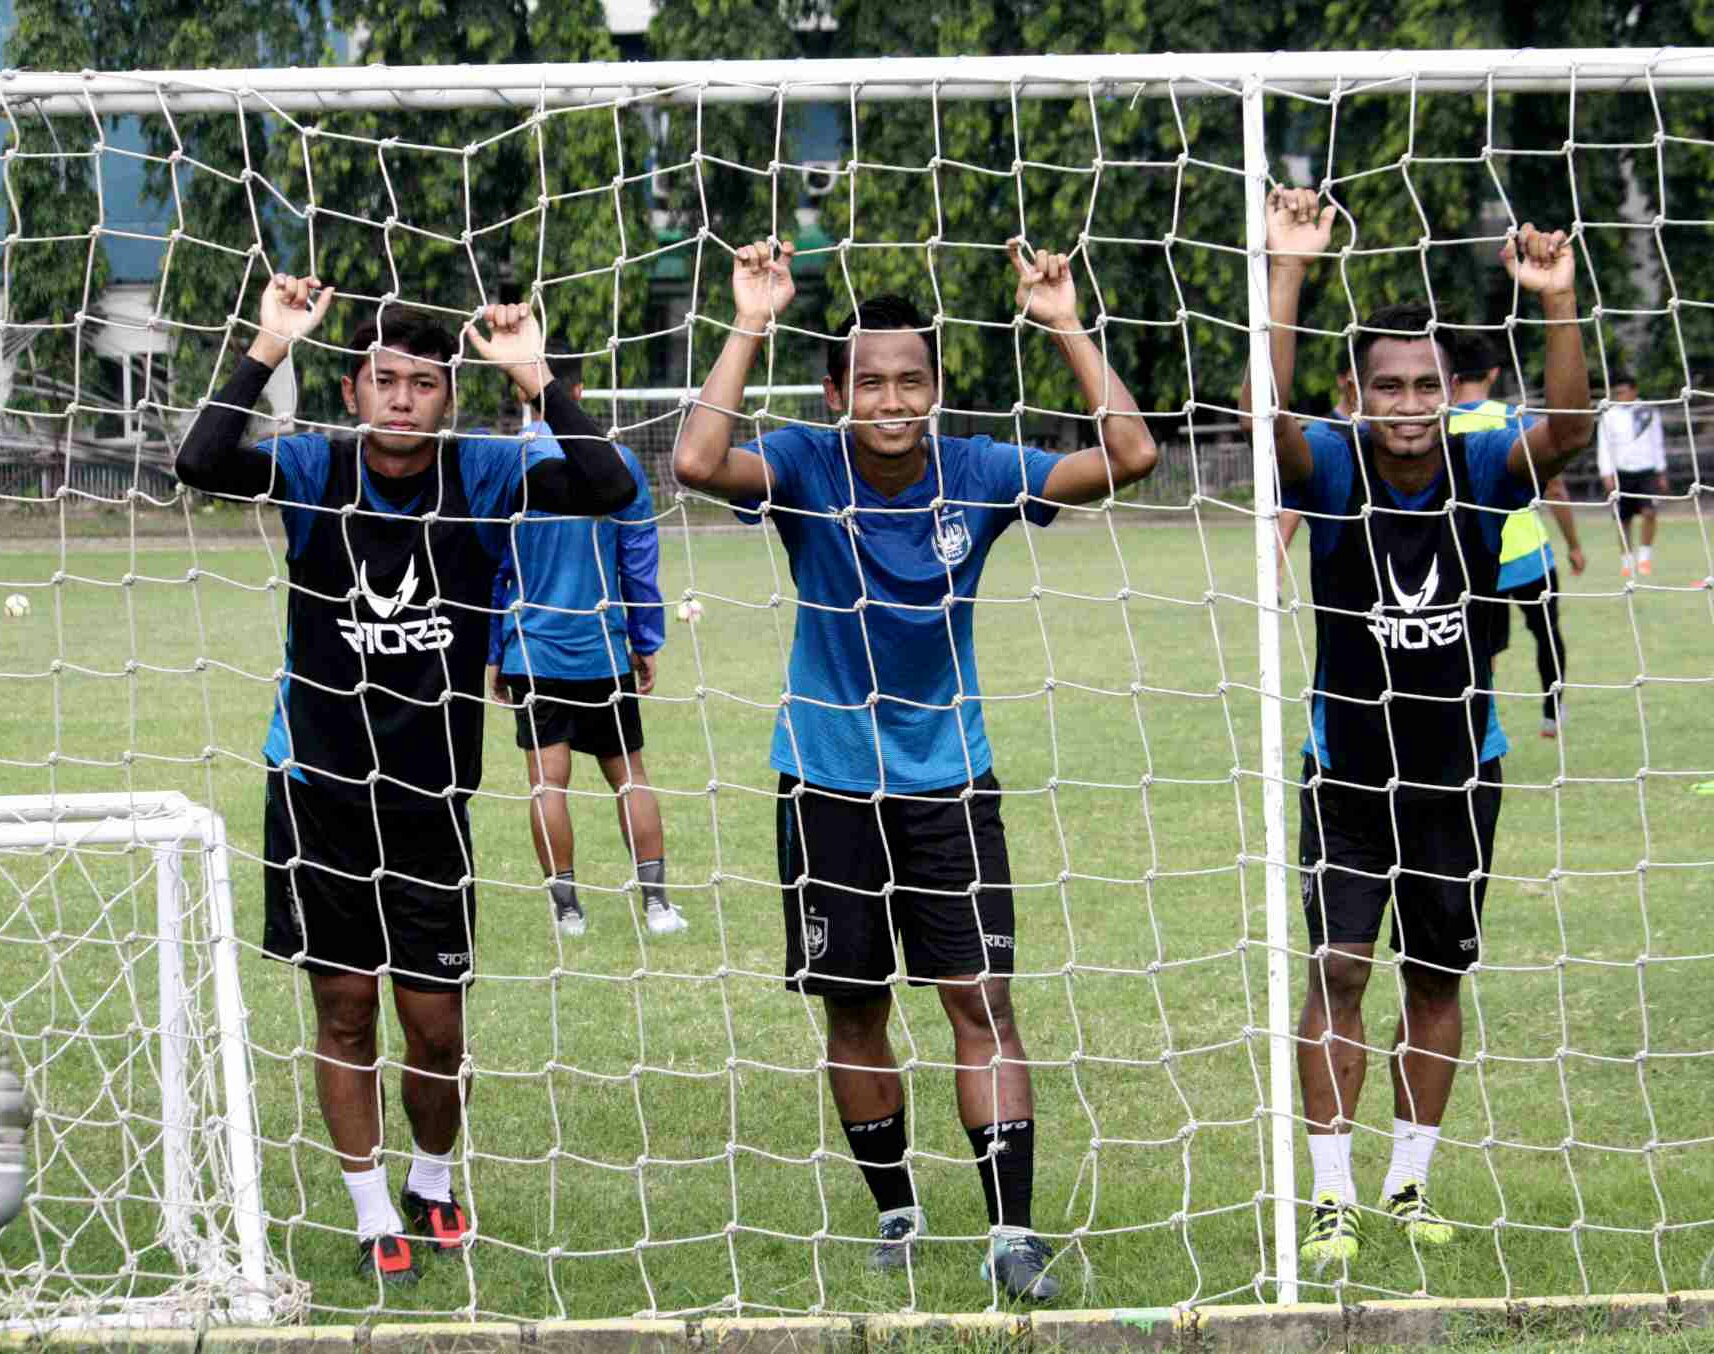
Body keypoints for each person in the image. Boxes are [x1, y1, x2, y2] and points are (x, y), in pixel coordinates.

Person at [673, 237, 1157, 1302]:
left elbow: (1129, 455)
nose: (891, 398)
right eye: (870, 380)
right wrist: (753, 314)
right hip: (826, 779)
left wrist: (1063, 320)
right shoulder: (803, 461)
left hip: (949, 779)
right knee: (855, 1008)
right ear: (838, 390)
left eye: (910, 379)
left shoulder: (980, 471)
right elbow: (699, 463)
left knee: (980, 1000)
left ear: (934, 388)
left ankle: (1011, 1235)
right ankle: (894, 1205)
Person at [176, 276, 637, 1285]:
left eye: (423, 384)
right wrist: (266, 343)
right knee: (344, 1009)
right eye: (383, 380)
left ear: (447, 398)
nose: (401, 398)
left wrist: (533, 377)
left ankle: (433, 1176)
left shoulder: (479, 475)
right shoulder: (312, 466)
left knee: (435, 1024)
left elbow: (608, 487)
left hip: (430, 800)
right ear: (353, 391)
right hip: (317, 791)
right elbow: (199, 460)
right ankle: (373, 1205)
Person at [1254, 189, 1593, 1267]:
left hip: (1460, 774)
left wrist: (1555, 298)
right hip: (1345, 773)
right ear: (1354, 392)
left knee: (1436, 979)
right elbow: (1264, 420)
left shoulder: (1485, 468)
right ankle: (1331, 1195)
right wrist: (1290, 267)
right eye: (1386, 384)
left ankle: (1407, 1183)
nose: (1407, 402)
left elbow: (1572, 432)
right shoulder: (1333, 461)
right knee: (1340, 970)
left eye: (1425, 384)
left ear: (1451, 392)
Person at [485, 353, 684, 938]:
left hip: (534, 651)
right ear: (578, 389)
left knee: (548, 781)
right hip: (602, 647)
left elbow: (496, 570)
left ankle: (567, 911)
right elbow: (639, 557)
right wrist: (646, 637)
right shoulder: (617, 462)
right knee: (630, 775)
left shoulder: (506, 463)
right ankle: (657, 905)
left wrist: (498, 650)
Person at [1448, 336, 1585, 739]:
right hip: (1527, 552)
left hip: (1472, 558)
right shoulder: (1517, 420)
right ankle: (1551, 714)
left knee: (1481, 647)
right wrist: (1574, 544)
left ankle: (1480, 725)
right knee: (1547, 633)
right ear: (1493, 373)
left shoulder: (1442, 422)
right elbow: (1555, 488)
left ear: (1451, 376)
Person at [1595, 372, 1669, 577]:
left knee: (1650, 513)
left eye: (1623, 392)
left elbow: (1657, 442)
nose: (1619, 396)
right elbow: (1604, 446)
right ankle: (1627, 562)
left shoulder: (1647, 411)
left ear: (1634, 391)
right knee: (1623, 519)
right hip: (1621, 473)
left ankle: (1644, 558)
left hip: (1646, 471)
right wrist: (1606, 473)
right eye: (1616, 393)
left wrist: (1661, 471)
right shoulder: (1608, 414)